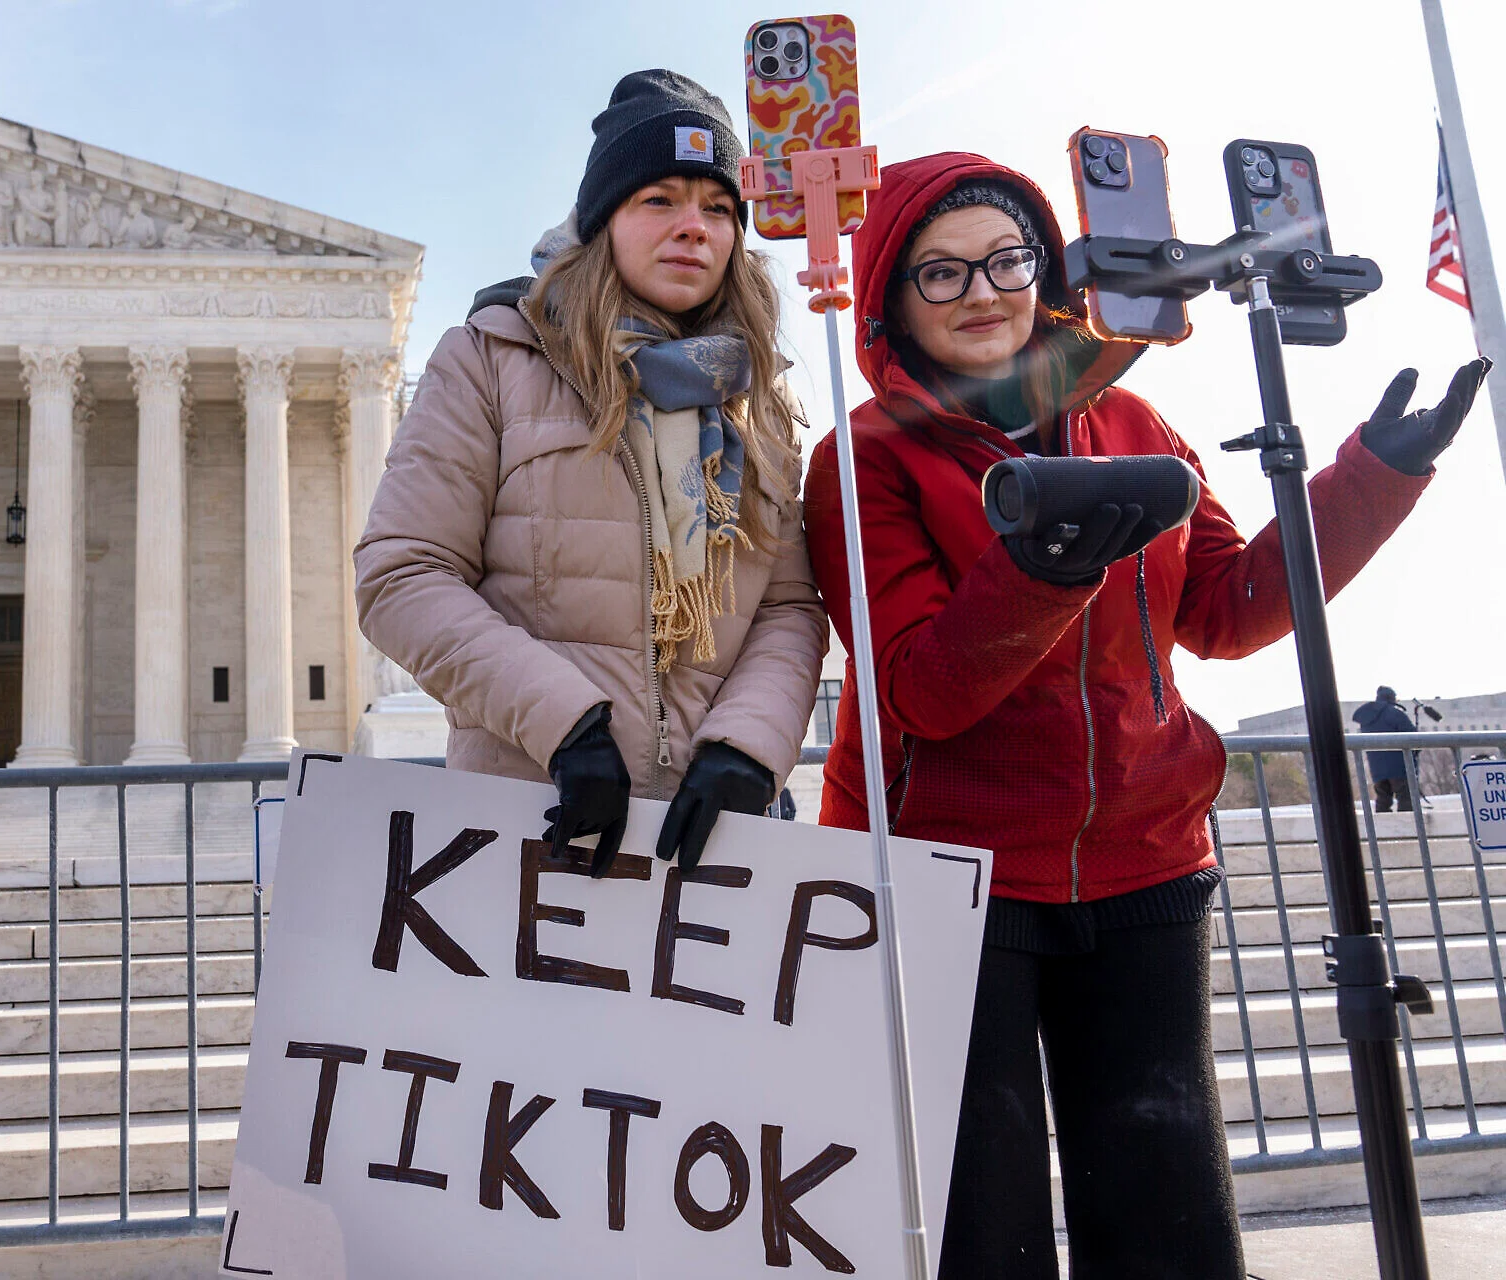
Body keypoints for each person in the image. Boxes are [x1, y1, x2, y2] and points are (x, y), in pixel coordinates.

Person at [805, 152, 1489, 1279]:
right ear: (886, 297)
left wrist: (1370, 477)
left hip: (1146, 862)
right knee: (985, 1229)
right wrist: (1045, 563)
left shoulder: (1128, 415)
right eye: (937, 273)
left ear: (1042, 269)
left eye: (1003, 258)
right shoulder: (863, 458)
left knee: (1167, 1223)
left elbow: (1227, 610)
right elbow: (919, 689)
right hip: (950, 880)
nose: (980, 292)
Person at [356, 69, 827, 873]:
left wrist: (749, 747)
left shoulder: (756, 400)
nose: (694, 227)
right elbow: (403, 576)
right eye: (659, 200)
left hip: (715, 846)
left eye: (718, 208)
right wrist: (566, 724)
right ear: (603, 220)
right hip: (532, 819)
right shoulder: (492, 358)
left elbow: (788, 608)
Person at [1354, 685, 1419, 811]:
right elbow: (1413, 737)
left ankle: (1382, 829)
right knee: (1406, 798)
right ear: (1392, 698)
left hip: (1377, 769)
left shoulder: (1367, 717)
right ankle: (1408, 827)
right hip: (1399, 766)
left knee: (1383, 799)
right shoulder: (1395, 713)